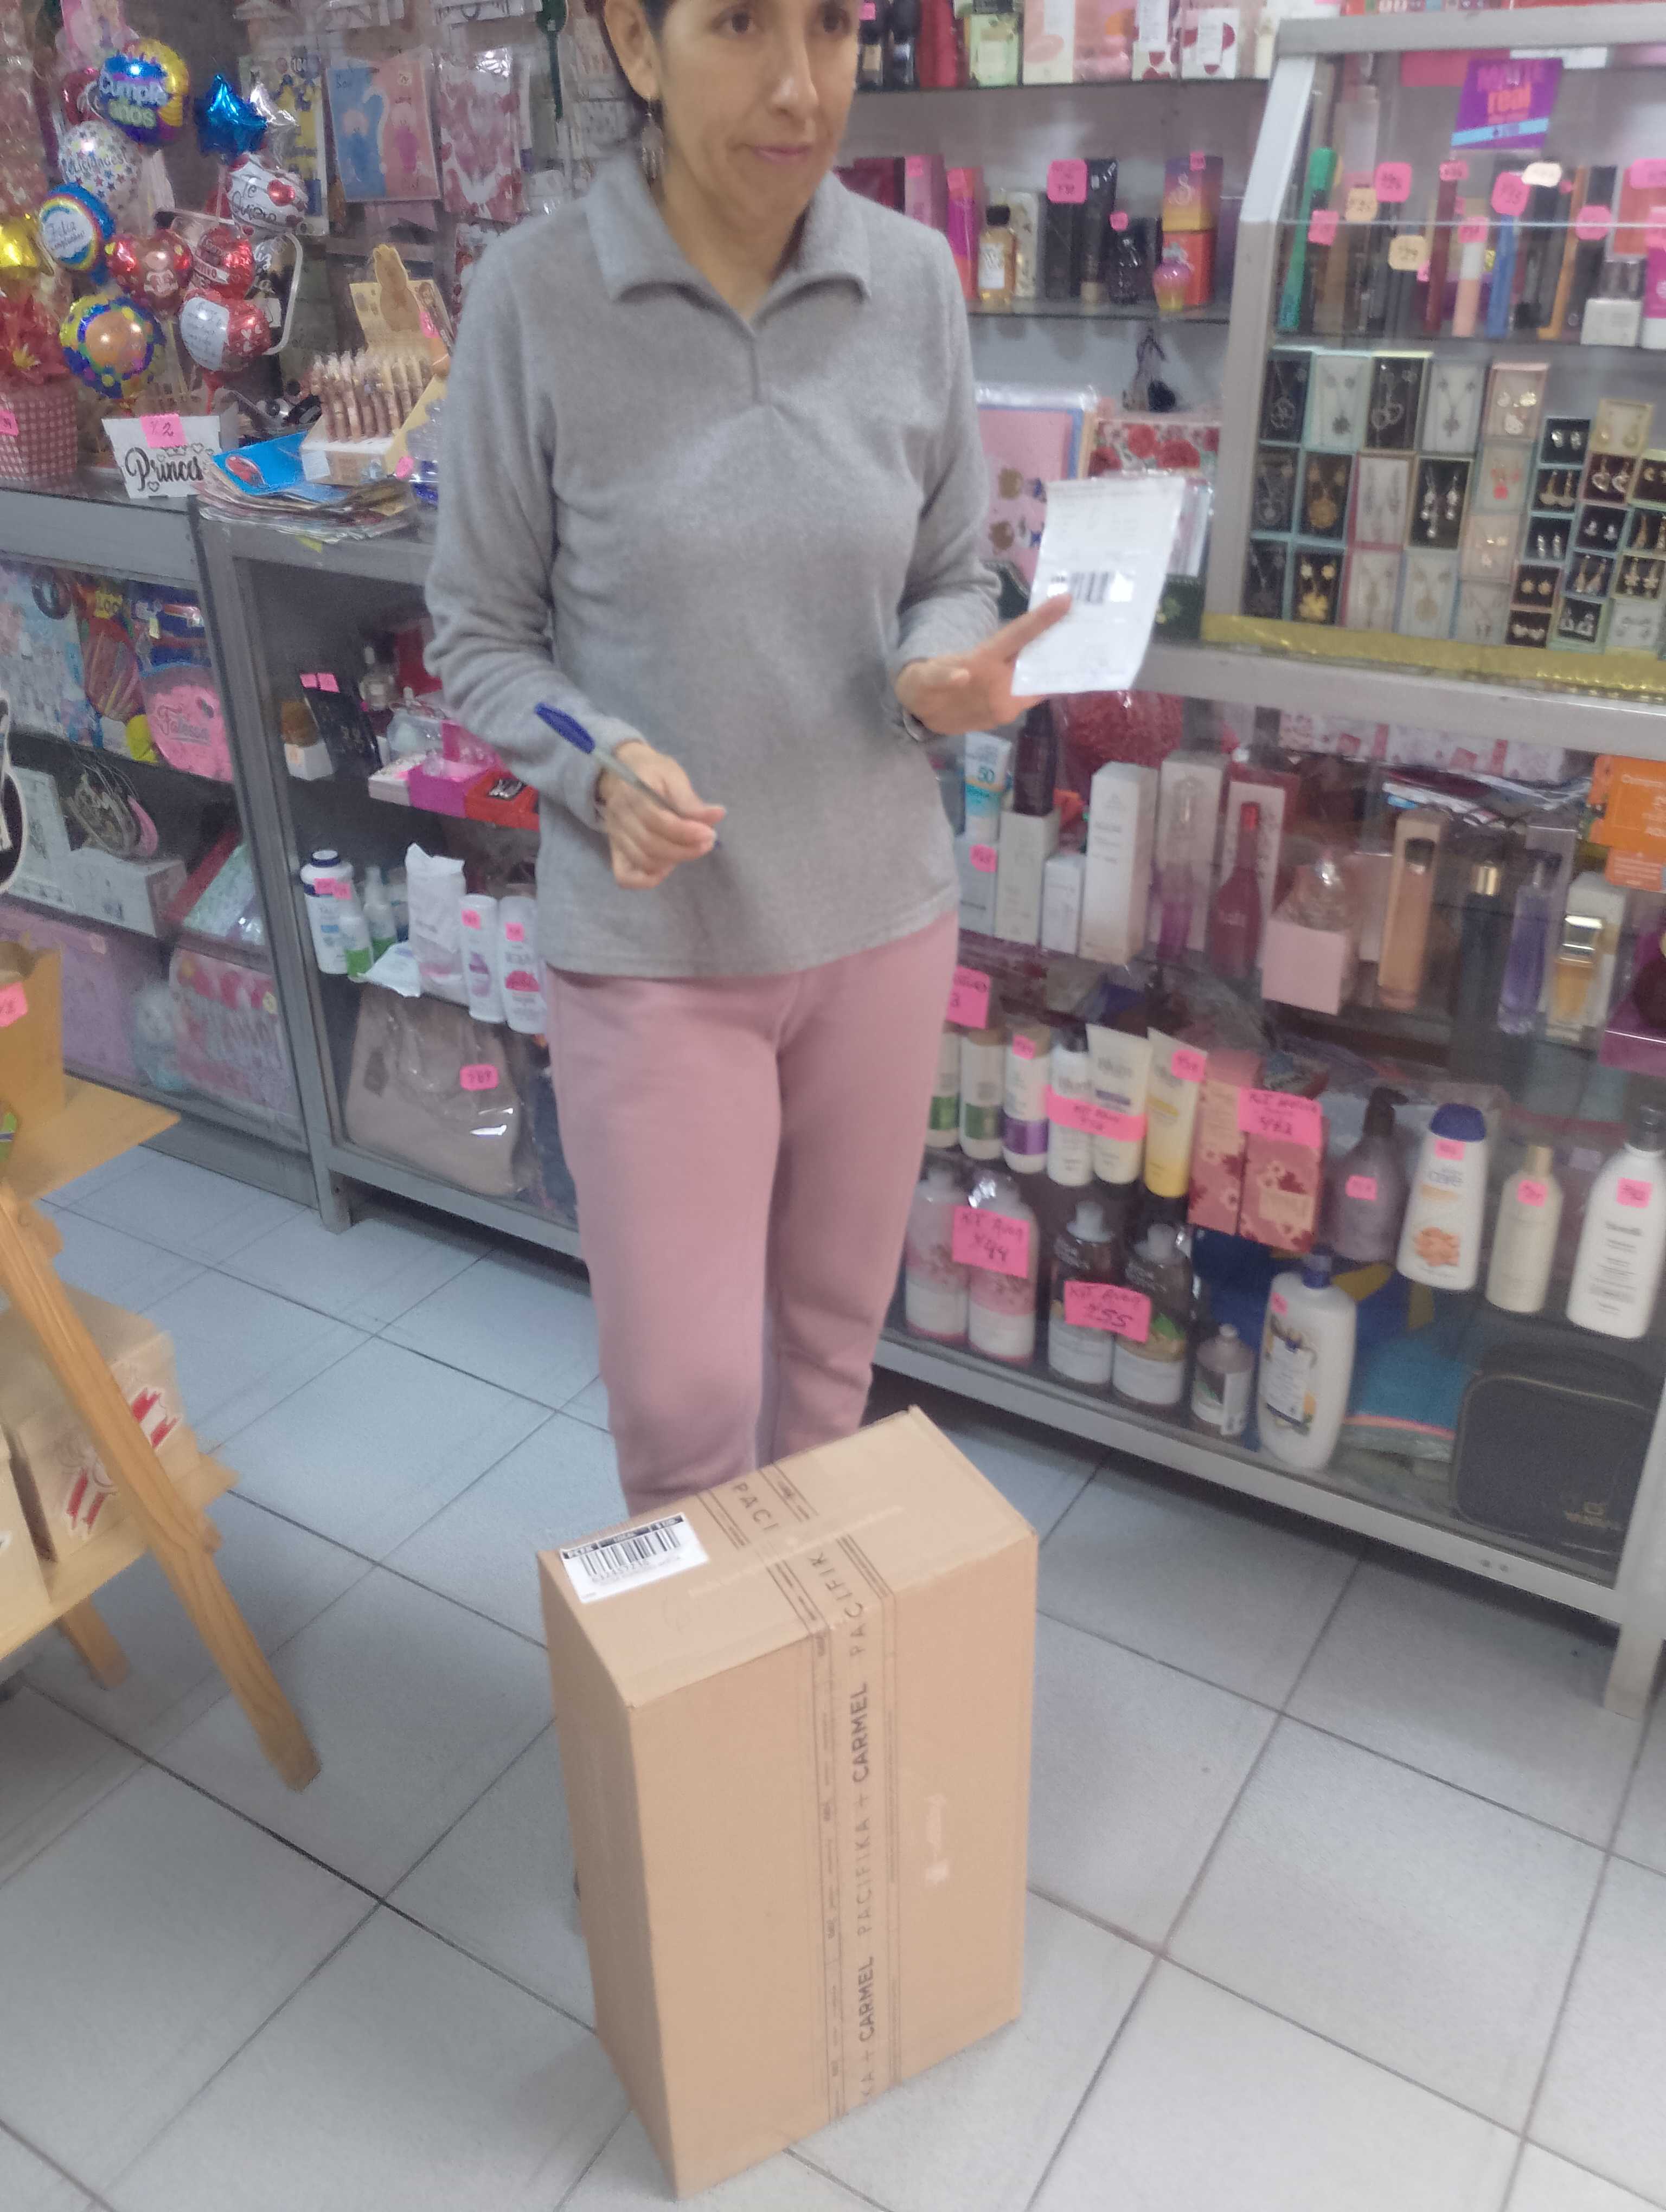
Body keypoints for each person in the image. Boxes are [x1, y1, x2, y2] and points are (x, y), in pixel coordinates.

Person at [426, 0, 1066, 1513]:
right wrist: (598, 760)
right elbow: (481, 636)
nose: (798, 85)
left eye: (831, 27)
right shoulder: (534, 296)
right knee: (685, 1405)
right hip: (658, 949)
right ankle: (696, 1660)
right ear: (635, 45)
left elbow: (952, 572)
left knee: (831, 1359)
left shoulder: (913, 280)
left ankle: (802, 1650)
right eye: (737, 25)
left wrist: (937, 669)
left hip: (881, 923)